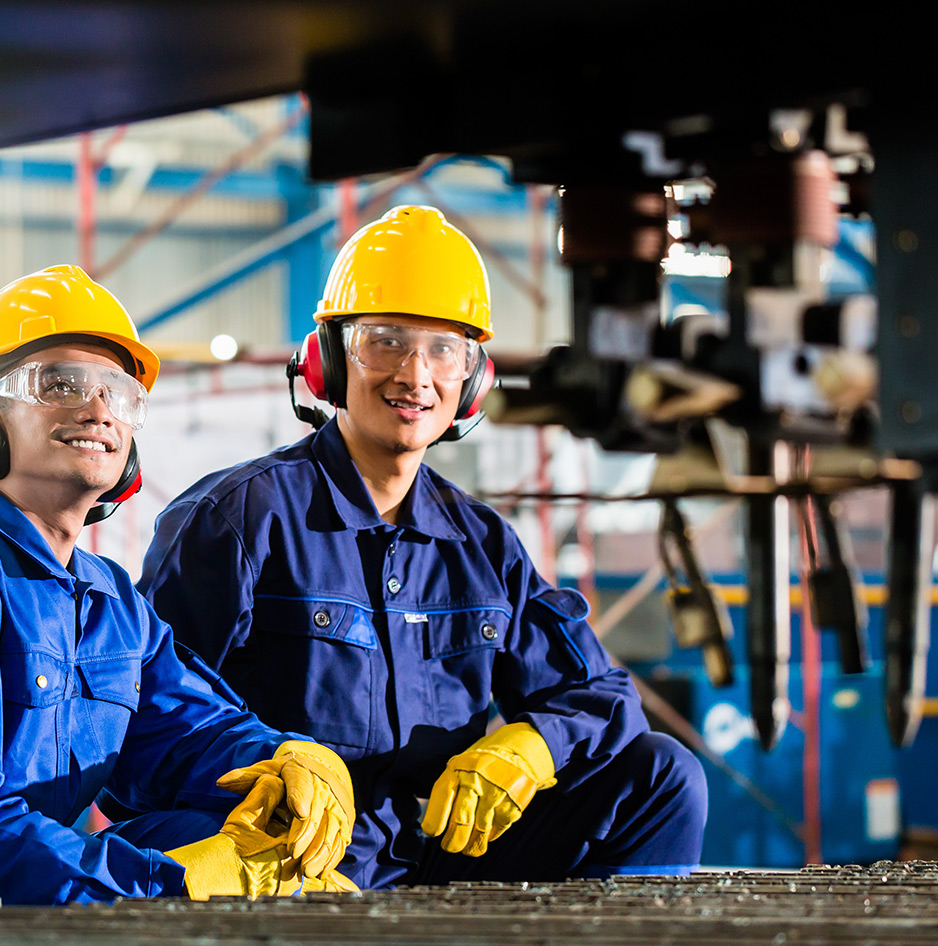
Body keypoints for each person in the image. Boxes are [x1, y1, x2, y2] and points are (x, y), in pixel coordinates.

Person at [138, 206, 708, 890]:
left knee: (664, 774)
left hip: (441, 850)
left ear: (473, 380)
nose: (416, 375)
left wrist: (529, 746)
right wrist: (268, 778)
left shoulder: (482, 542)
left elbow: (601, 695)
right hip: (295, 853)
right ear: (327, 362)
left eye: (445, 350)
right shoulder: (238, 518)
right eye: (385, 342)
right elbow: (150, 714)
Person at [0, 265, 357, 904]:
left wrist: (290, 759)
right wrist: (177, 884)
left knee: (255, 831)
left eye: (119, 390)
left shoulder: (111, 600)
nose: (99, 407)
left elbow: (187, 730)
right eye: (60, 384)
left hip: (18, 892)